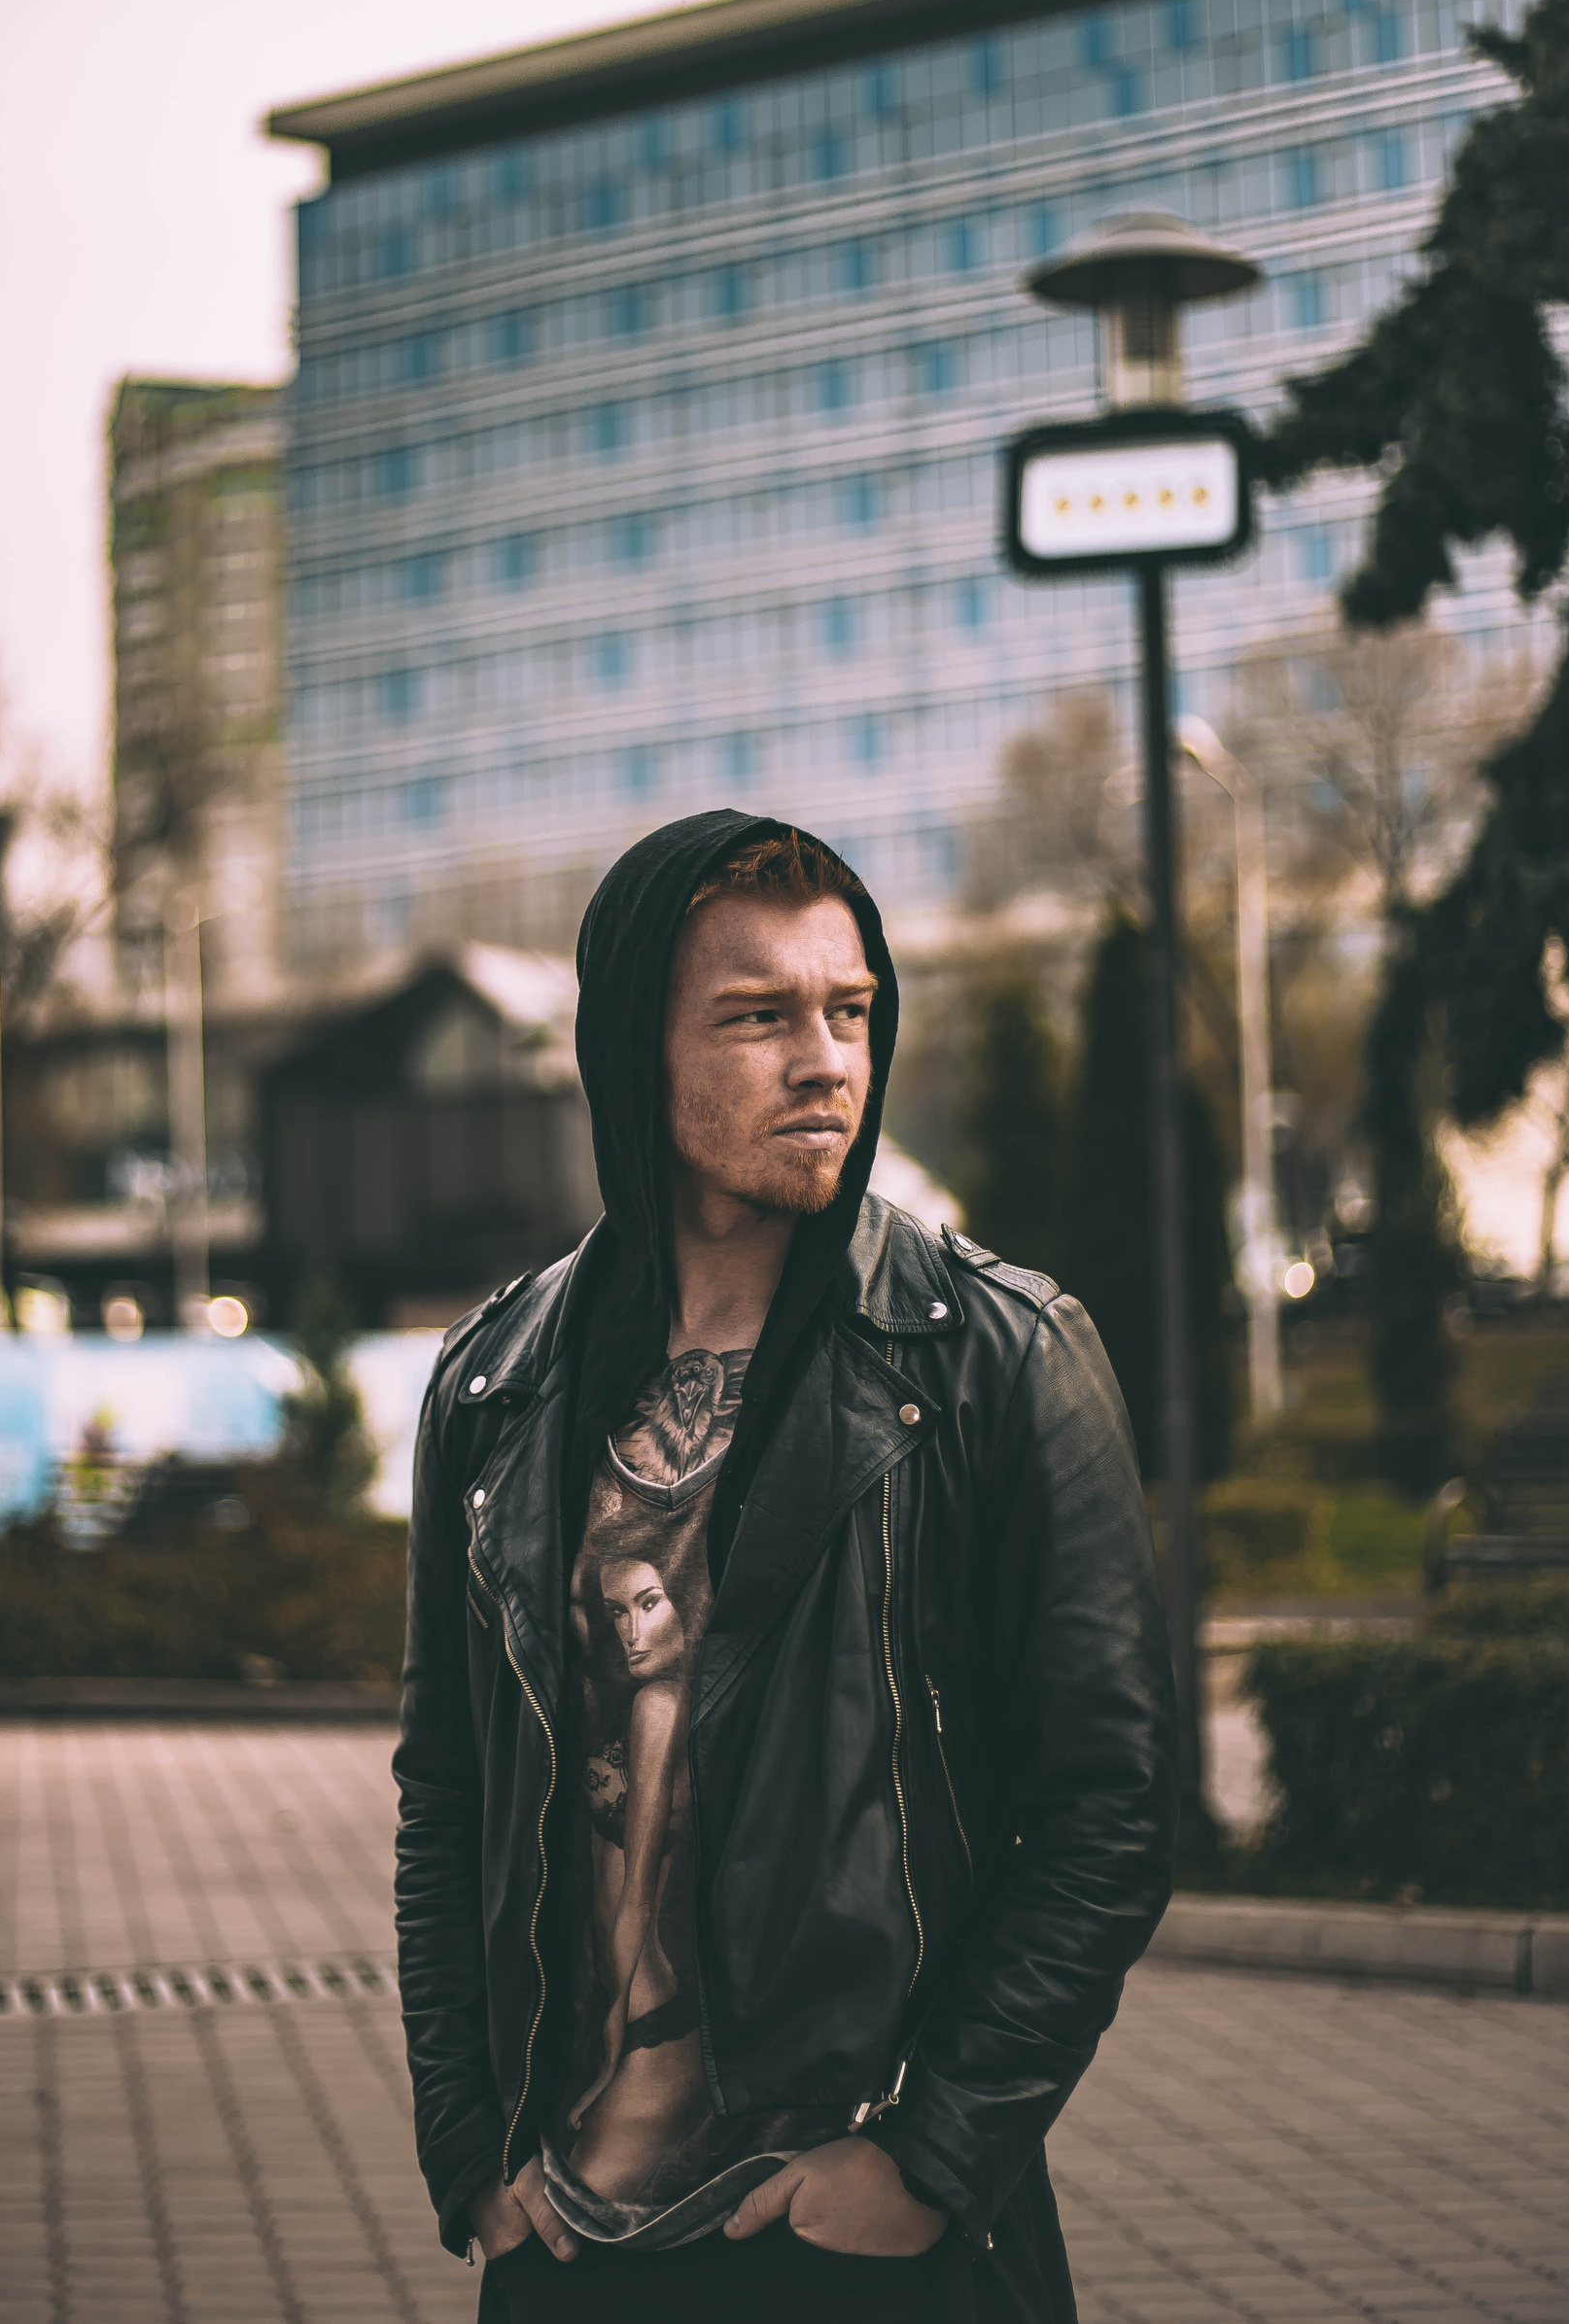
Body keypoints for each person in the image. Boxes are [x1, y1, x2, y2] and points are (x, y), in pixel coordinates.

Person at [395, 813, 1175, 2324]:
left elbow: (1113, 1805)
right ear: (632, 1051)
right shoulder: (494, 1385)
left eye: (851, 1010)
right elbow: (446, 1793)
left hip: (864, 2238)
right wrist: (468, 2152)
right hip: (568, 2245)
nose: (825, 1061)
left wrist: (933, 2156)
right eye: (760, 1018)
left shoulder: (992, 1359)